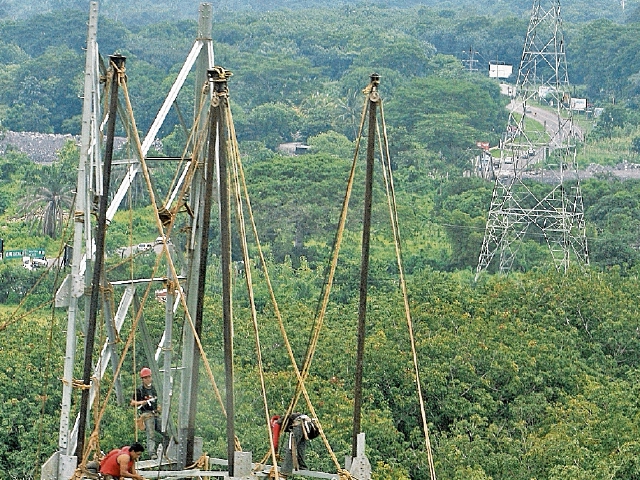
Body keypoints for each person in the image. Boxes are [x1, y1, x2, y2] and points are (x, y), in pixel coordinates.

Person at [131, 367, 166, 459]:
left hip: (155, 413)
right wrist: (141, 402)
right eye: (145, 378)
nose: (148, 379)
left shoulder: (154, 389)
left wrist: (159, 407)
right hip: (146, 414)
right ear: (142, 379)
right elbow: (132, 403)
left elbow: (158, 400)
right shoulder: (139, 390)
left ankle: (166, 451)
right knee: (151, 434)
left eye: (149, 377)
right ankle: (152, 453)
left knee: (166, 432)